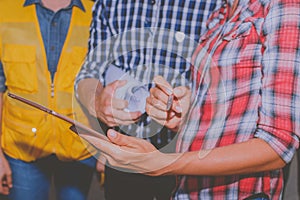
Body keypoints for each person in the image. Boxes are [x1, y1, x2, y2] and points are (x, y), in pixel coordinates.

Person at [76, 0, 300, 199]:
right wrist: (186, 112)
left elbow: (278, 143)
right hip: (164, 168)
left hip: (202, 174)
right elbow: (227, 102)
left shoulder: (279, 6)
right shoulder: (220, 15)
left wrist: (164, 163)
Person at [75, 0, 223, 199]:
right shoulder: (109, 3)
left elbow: (227, 83)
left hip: (189, 152)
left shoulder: (215, 5)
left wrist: (191, 109)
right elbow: (90, 70)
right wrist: (97, 100)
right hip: (124, 148)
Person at [0, 0, 98, 199]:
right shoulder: (4, 9)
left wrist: (108, 152)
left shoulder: (96, 12)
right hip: (20, 147)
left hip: (80, 145)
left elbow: (107, 85)